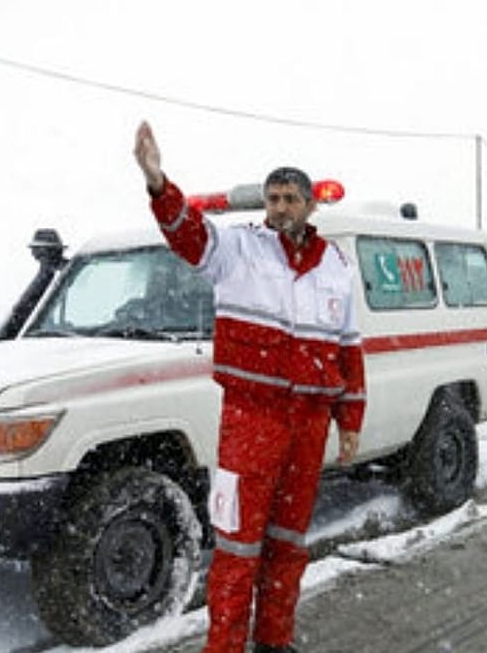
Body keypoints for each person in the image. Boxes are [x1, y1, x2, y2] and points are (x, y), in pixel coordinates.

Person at [133, 121, 364, 653]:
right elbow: (187, 233)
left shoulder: (335, 265)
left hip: (307, 425)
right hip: (249, 421)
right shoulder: (237, 249)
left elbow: (348, 350)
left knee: (287, 544)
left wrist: (348, 422)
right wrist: (156, 182)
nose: (280, 207)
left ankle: (274, 642)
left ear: (310, 206)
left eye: (290, 198)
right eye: (273, 198)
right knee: (238, 549)